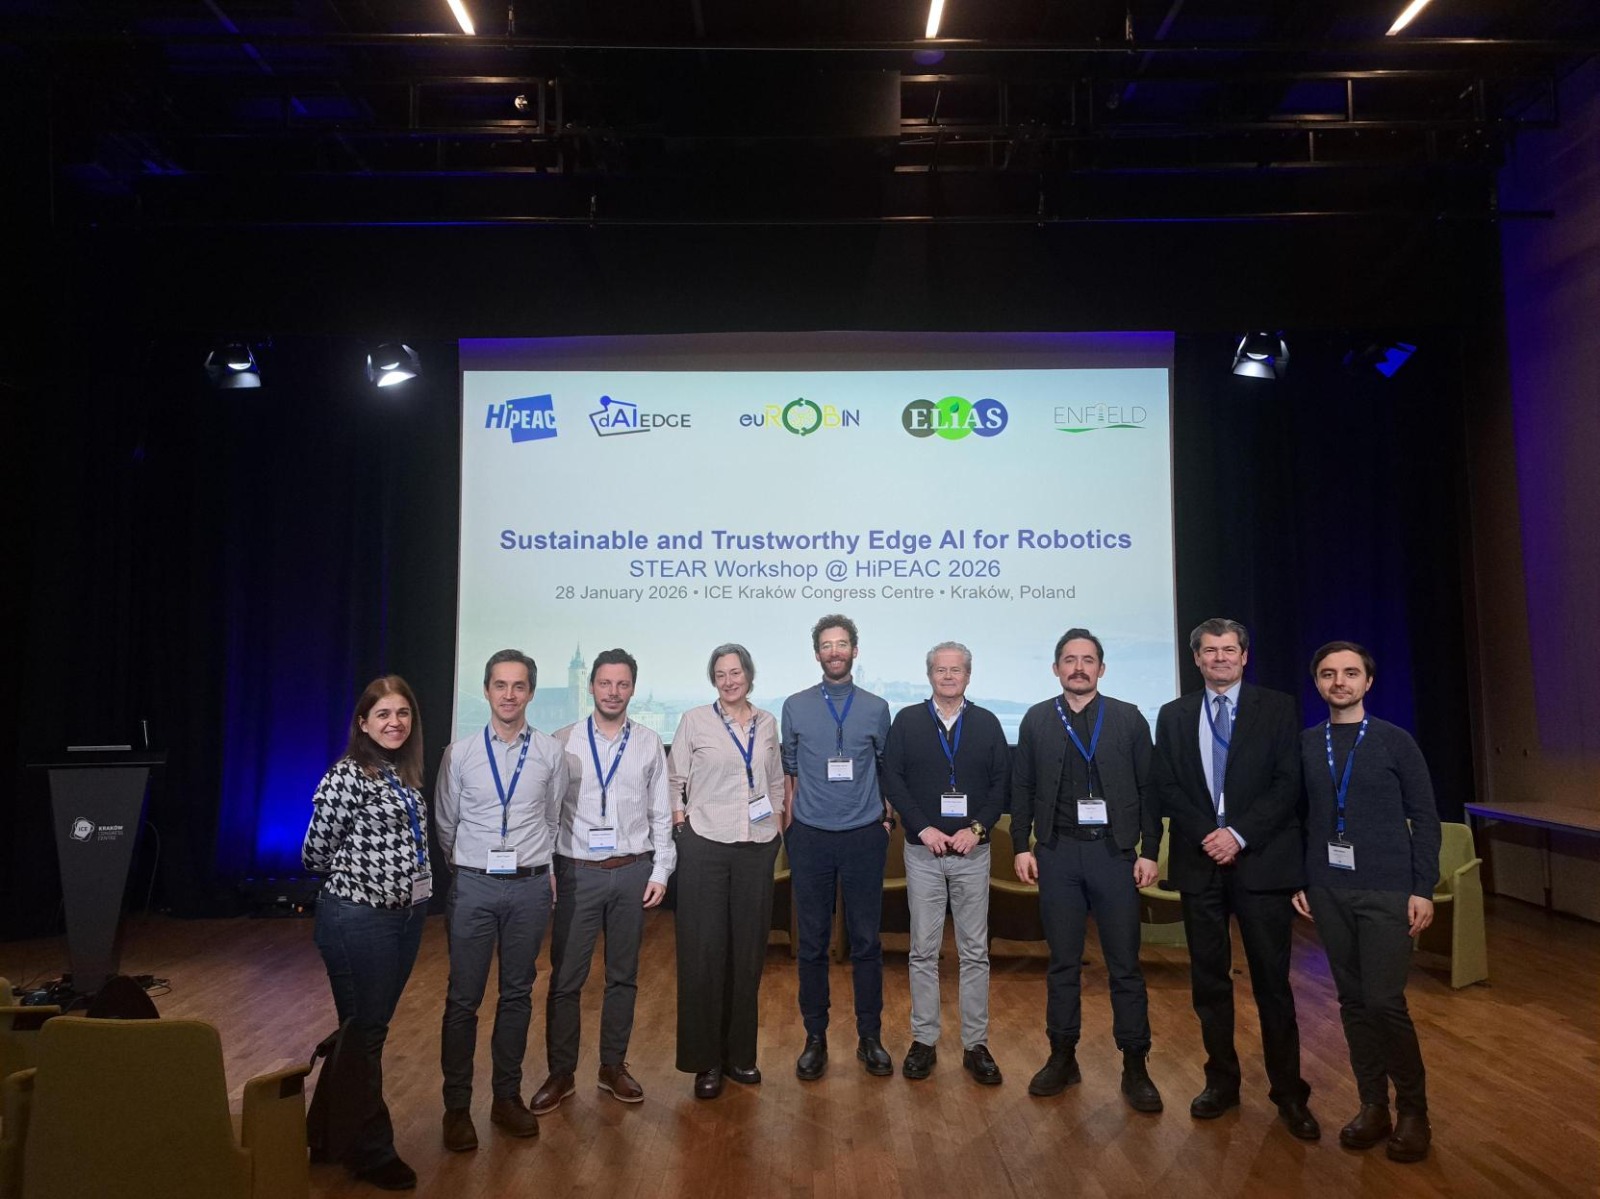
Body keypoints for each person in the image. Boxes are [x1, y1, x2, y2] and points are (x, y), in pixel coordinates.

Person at [1149, 618, 1318, 1139]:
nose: (1219, 658)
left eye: (1229, 650)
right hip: (1201, 863)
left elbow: (1288, 783)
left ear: (1245, 656)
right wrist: (1210, 835)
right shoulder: (1174, 714)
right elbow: (1166, 785)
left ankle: (1289, 1092)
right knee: (1209, 983)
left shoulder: (1278, 708)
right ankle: (1221, 1082)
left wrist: (1238, 835)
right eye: (1210, 650)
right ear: (1196, 659)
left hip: (1262, 862)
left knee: (1272, 985)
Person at [1292, 641, 1441, 1163]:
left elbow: (1425, 818)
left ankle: (1414, 1112)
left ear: (1368, 682)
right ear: (1317, 682)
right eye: (1329, 673)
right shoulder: (1307, 744)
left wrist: (1423, 887)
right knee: (1353, 1003)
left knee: (1384, 1001)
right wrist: (1302, 879)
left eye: (1350, 673)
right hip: (1328, 889)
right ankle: (1373, 1106)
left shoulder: (1395, 741)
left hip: (1388, 890)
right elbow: (1300, 819)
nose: (1340, 682)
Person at [1011, 629, 1164, 1112]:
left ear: (1101, 668)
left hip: (1113, 855)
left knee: (1125, 965)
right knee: (1062, 963)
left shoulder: (1129, 718)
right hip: (1057, 854)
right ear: (1056, 668)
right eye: (1070, 660)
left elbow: (1149, 788)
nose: (1079, 668)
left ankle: (1135, 1065)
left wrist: (1149, 851)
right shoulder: (1037, 719)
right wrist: (1020, 845)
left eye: (1088, 660)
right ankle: (1062, 1056)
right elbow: (1022, 787)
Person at [435, 649, 569, 1150]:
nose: (509, 695)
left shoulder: (551, 753)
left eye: (518, 686)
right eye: (500, 685)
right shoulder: (460, 753)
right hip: (473, 884)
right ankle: (456, 1107)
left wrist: (538, 866)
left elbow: (552, 817)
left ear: (530, 692)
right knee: (462, 999)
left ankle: (505, 1098)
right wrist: (470, 866)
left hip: (529, 886)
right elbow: (446, 823)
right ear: (487, 690)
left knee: (516, 995)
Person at [302, 675, 431, 1192]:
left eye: (402, 713)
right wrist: (365, 875)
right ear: (363, 723)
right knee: (367, 1032)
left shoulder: (403, 772)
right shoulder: (347, 776)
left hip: (405, 917)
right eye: (383, 714)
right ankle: (371, 1151)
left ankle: (323, 1135)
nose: (394, 722)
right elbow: (314, 853)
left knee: (361, 1029)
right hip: (358, 918)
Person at [532, 649, 674, 1114]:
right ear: (591, 685)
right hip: (577, 874)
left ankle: (612, 1066)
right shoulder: (562, 741)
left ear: (632, 688)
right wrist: (548, 871)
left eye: (622, 684)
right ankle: (561, 1073)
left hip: (632, 872)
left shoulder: (649, 743)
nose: (613, 692)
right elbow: (548, 815)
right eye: (605, 683)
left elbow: (660, 813)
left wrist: (661, 870)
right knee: (566, 980)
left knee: (623, 977)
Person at [882, 641, 1009, 1085]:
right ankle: (924, 1040)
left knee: (975, 952)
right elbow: (892, 779)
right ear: (930, 675)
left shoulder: (988, 723)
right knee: (923, 951)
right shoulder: (907, 721)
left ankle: (976, 1045)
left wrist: (977, 829)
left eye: (956, 670)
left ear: (968, 676)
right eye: (941, 669)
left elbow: (1001, 783)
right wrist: (923, 829)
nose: (949, 676)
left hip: (973, 853)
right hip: (923, 852)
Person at [666, 643, 788, 1099]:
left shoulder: (767, 723)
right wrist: (682, 824)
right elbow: (674, 779)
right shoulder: (695, 720)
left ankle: (739, 1055)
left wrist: (776, 826)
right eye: (721, 674)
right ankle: (706, 1061)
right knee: (704, 954)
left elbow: (774, 781)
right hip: (706, 844)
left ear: (748, 676)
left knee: (747, 954)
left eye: (736, 672)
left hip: (756, 847)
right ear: (713, 680)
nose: (729, 680)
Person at [780, 614, 894, 1080]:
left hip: (864, 835)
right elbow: (789, 770)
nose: (834, 652)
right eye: (827, 645)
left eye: (842, 644)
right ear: (817, 654)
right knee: (811, 944)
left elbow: (885, 767)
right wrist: (792, 828)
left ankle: (870, 1037)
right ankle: (815, 1038)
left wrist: (886, 820)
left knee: (866, 942)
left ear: (854, 650)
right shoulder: (795, 706)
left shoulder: (877, 707)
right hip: (810, 836)